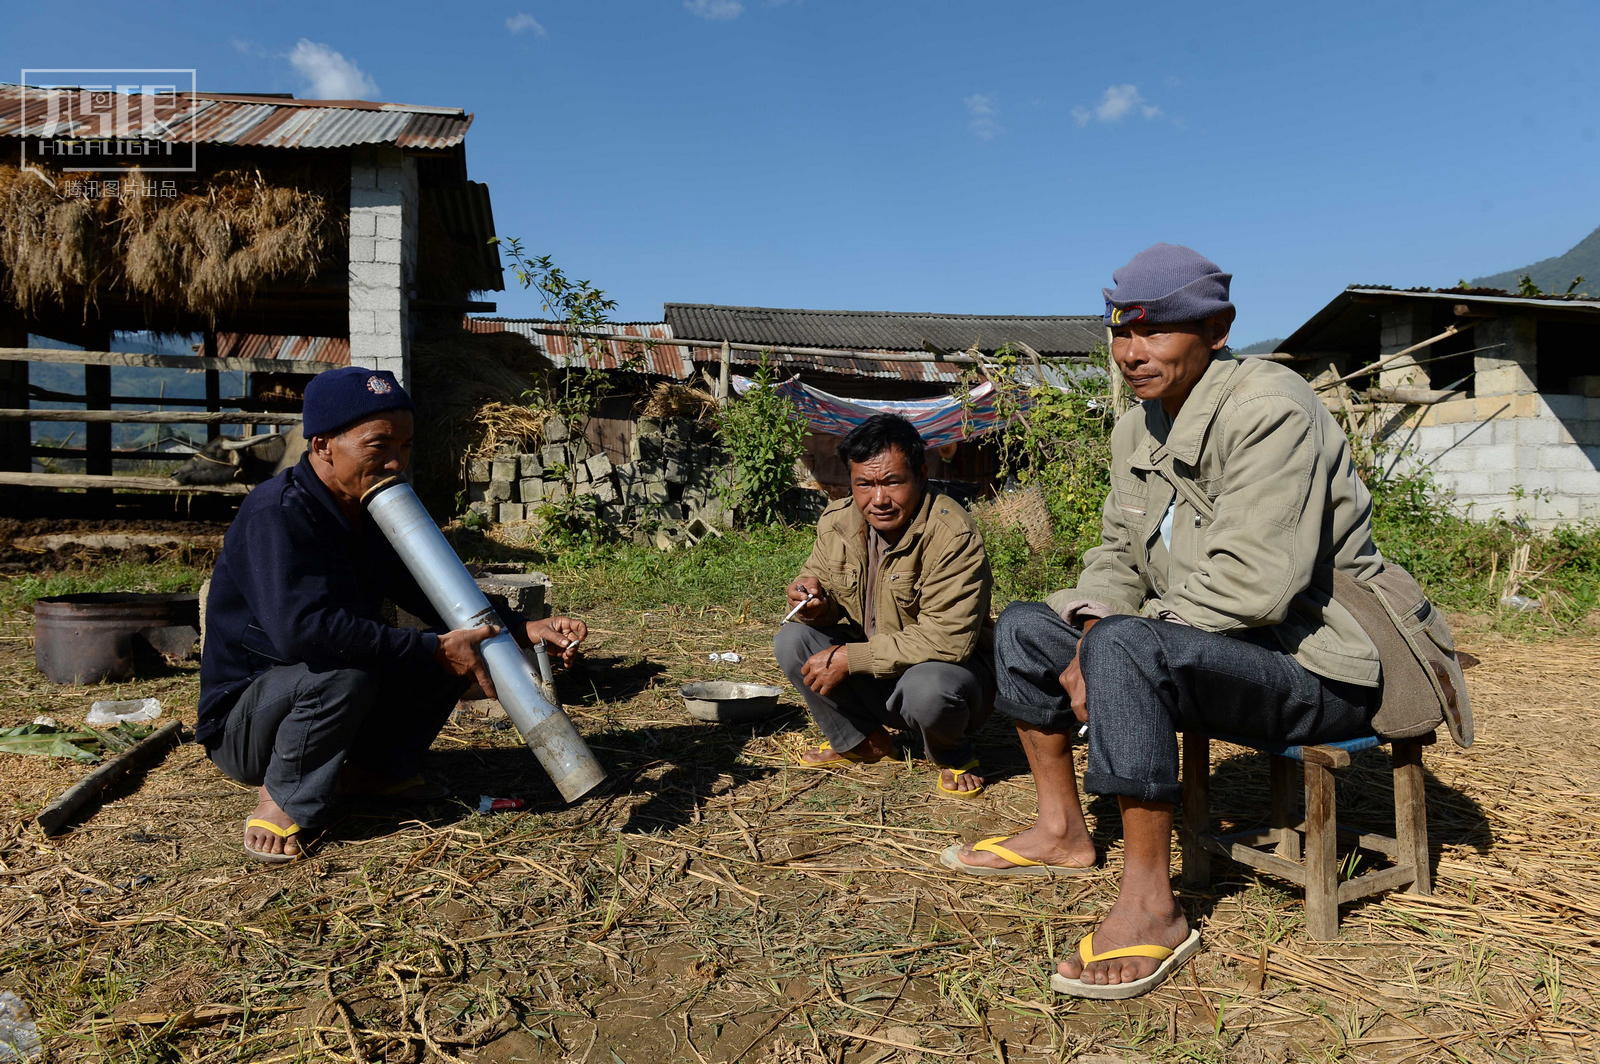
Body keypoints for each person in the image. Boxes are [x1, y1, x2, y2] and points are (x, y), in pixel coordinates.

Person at [942, 244, 1386, 998]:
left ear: (1218, 329)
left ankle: (1153, 903)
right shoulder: (1136, 430)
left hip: (1312, 663)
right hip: (1202, 651)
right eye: (1121, 334)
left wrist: (1113, 640)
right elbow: (1118, 555)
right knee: (1023, 626)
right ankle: (1061, 830)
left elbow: (1258, 585)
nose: (1131, 354)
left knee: (1122, 642)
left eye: (1156, 333)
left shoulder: (1268, 408)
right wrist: (1086, 622)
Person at [198, 366, 586, 863]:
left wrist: (519, 629)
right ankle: (281, 798)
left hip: (325, 698)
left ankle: (374, 772)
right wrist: (433, 648)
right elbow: (303, 636)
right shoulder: (277, 514)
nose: (396, 463)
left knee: (459, 641)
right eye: (378, 446)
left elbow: (433, 595)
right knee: (349, 667)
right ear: (322, 446)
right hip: (248, 725)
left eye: (405, 446)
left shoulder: (371, 510)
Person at [775, 414, 994, 798]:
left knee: (931, 686)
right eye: (865, 484)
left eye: (892, 482)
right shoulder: (838, 520)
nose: (878, 499)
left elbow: (948, 640)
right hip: (877, 673)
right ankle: (862, 740)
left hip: (944, 678)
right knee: (793, 640)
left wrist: (850, 658)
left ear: (920, 475)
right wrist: (811, 599)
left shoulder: (952, 534)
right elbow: (817, 578)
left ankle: (952, 753)